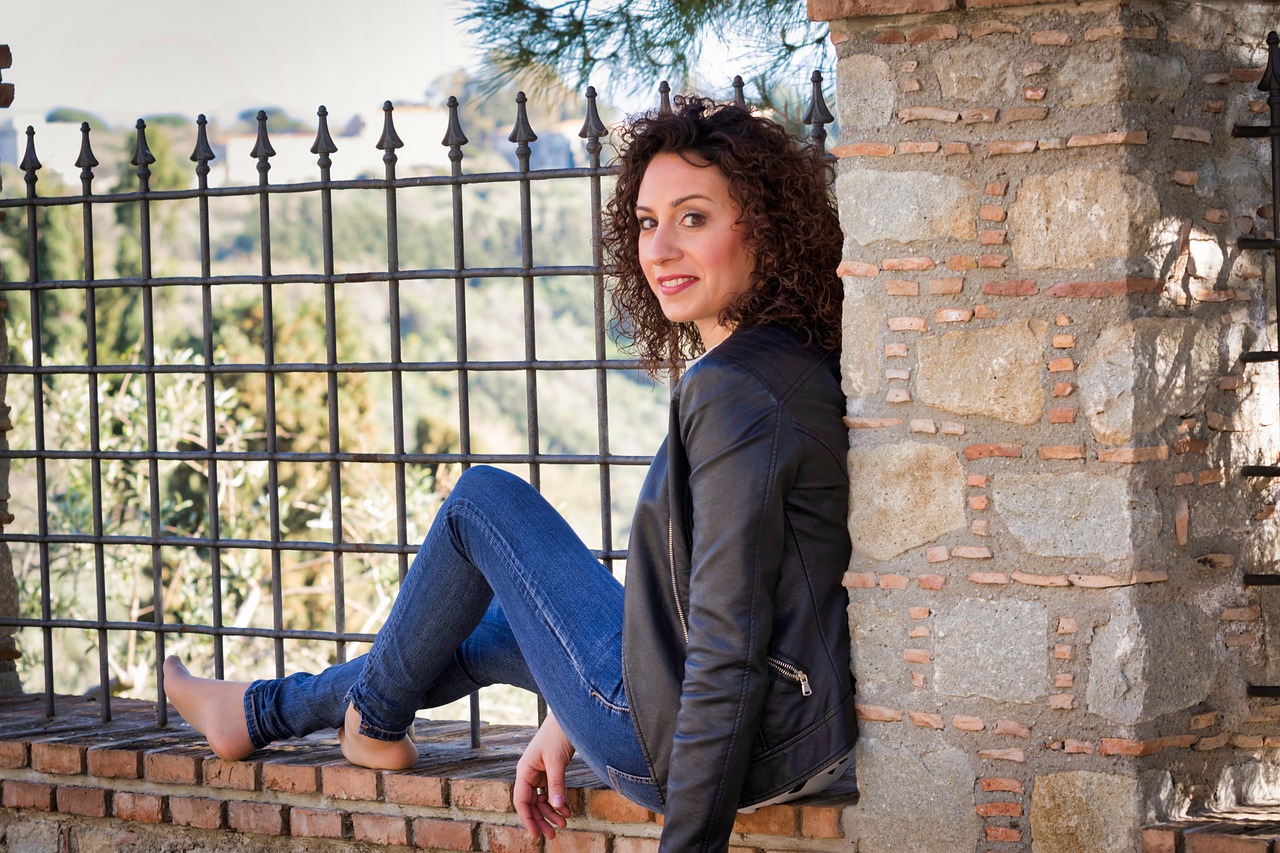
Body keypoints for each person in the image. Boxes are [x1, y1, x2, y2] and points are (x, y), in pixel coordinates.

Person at [164, 94, 856, 852]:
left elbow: (727, 640)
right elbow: (736, 598)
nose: (659, 250)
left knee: (480, 502)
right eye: (646, 222)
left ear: (765, 226)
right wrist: (565, 715)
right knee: (478, 626)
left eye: (693, 218)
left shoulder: (734, 391)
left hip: (705, 745)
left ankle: (369, 722)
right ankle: (263, 712)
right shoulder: (793, 359)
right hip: (792, 728)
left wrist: (687, 841)